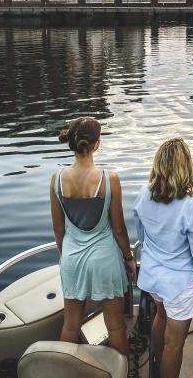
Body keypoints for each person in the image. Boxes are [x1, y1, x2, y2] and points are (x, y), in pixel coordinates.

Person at [49, 117, 136, 356]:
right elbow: (118, 229)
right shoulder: (110, 179)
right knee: (116, 326)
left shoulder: (56, 178)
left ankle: (62, 371)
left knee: (70, 326)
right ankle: (122, 371)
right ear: (96, 145)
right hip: (105, 260)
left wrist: (64, 255)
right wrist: (128, 258)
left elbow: (58, 230)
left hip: (72, 259)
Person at [133, 137, 193, 378]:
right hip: (179, 283)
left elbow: (141, 233)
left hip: (153, 276)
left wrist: (153, 252)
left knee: (161, 316)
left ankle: (156, 365)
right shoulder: (189, 206)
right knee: (174, 344)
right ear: (185, 167)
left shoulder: (143, 194)